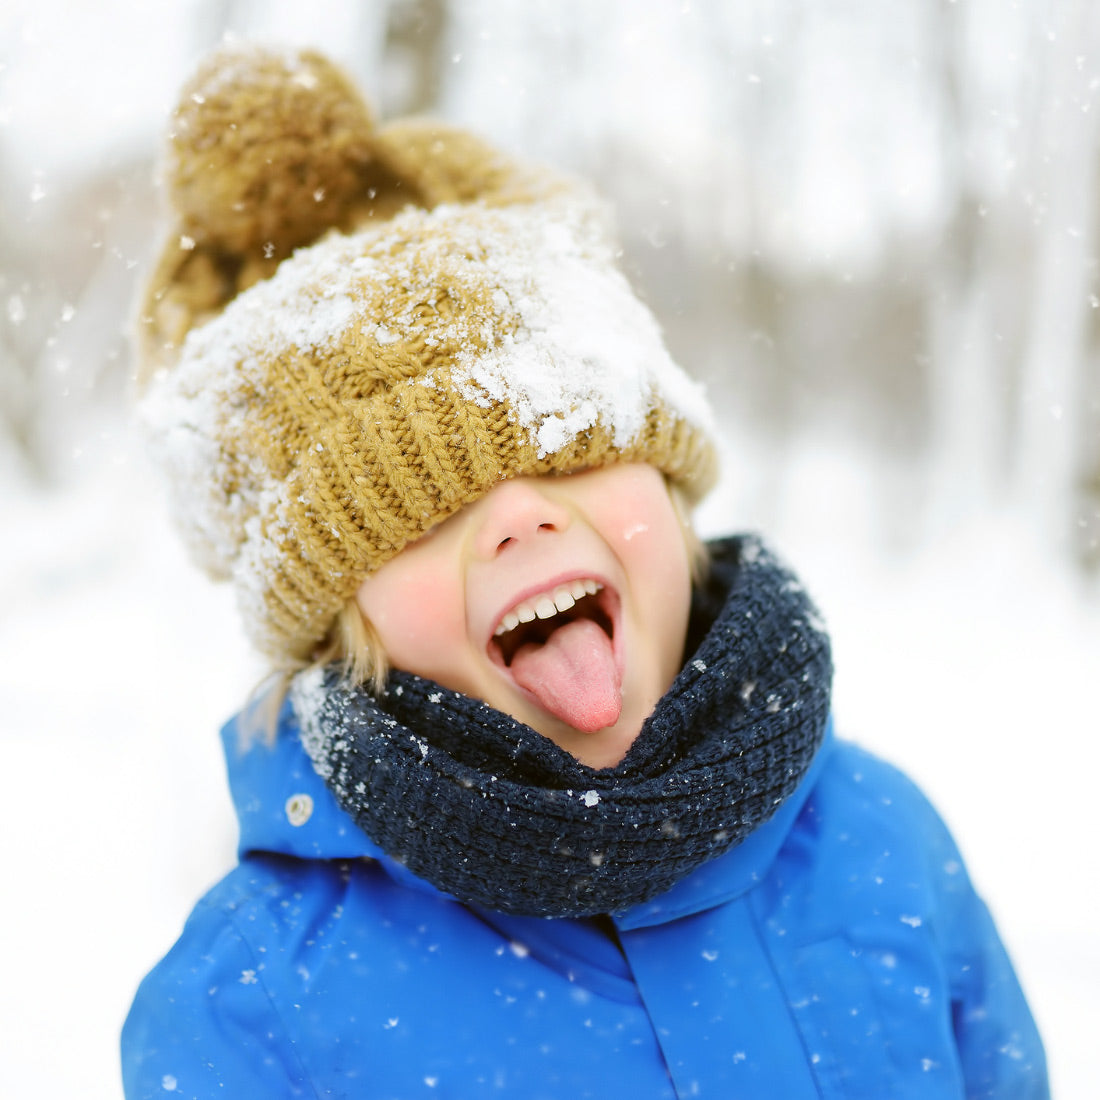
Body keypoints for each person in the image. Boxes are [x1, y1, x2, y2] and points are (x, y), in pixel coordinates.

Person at [122, 43, 1048, 1099]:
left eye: (564, 444)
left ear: (669, 484)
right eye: (420, 511)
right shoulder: (256, 997)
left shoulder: (878, 837)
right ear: (336, 621)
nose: (518, 514)